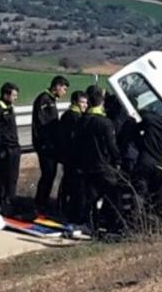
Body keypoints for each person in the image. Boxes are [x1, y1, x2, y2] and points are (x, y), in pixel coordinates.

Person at [76, 86, 123, 229]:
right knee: (114, 195)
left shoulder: (81, 121)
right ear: (102, 102)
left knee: (90, 198)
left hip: (87, 165)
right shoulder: (105, 122)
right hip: (104, 166)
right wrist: (118, 160)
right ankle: (113, 226)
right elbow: (111, 146)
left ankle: (91, 225)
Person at [32, 75, 69, 215]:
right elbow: (44, 124)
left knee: (51, 174)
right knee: (48, 174)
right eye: (64, 89)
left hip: (51, 145)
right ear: (57, 86)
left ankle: (43, 203)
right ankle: (39, 204)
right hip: (45, 145)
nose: (64, 92)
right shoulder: (44, 100)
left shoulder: (51, 100)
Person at [0, 82, 21, 216]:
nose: (15, 98)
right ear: (5, 95)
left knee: (12, 179)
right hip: (4, 151)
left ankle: (10, 203)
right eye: (13, 95)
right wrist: (0, 150)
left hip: (14, 149)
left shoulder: (10, 108)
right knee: (3, 178)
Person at [57, 90, 88, 224]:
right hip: (74, 157)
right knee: (74, 185)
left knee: (67, 183)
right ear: (75, 102)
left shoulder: (66, 115)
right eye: (82, 102)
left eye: (86, 102)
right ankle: (69, 212)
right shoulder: (75, 117)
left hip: (66, 156)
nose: (85, 105)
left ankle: (62, 207)